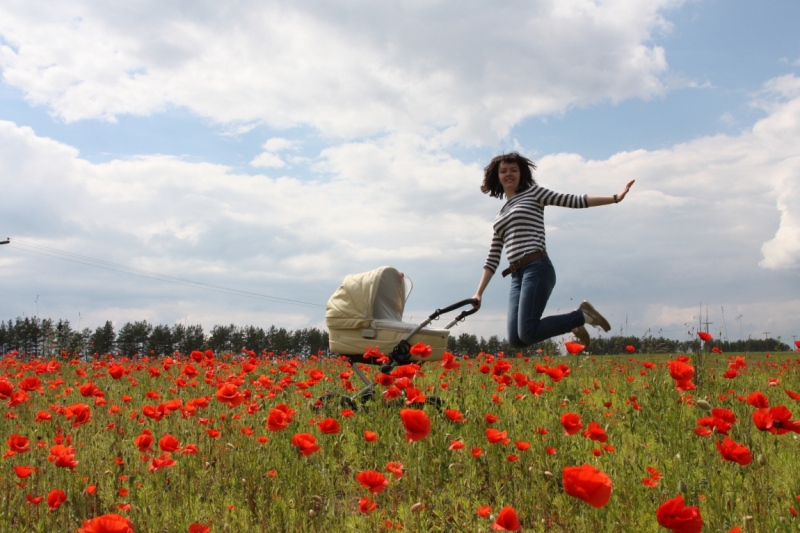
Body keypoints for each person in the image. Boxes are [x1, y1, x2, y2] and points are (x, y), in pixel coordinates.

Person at [471, 152, 634, 349]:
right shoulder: (500, 215)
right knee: (516, 339)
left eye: (514, 170)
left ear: (522, 173)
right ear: (497, 176)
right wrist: (479, 293)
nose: (509, 174)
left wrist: (615, 198)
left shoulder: (534, 194)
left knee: (528, 333)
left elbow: (574, 200)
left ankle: (582, 316)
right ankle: (573, 323)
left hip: (536, 267)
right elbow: (492, 258)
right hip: (517, 277)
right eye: (503, 171)